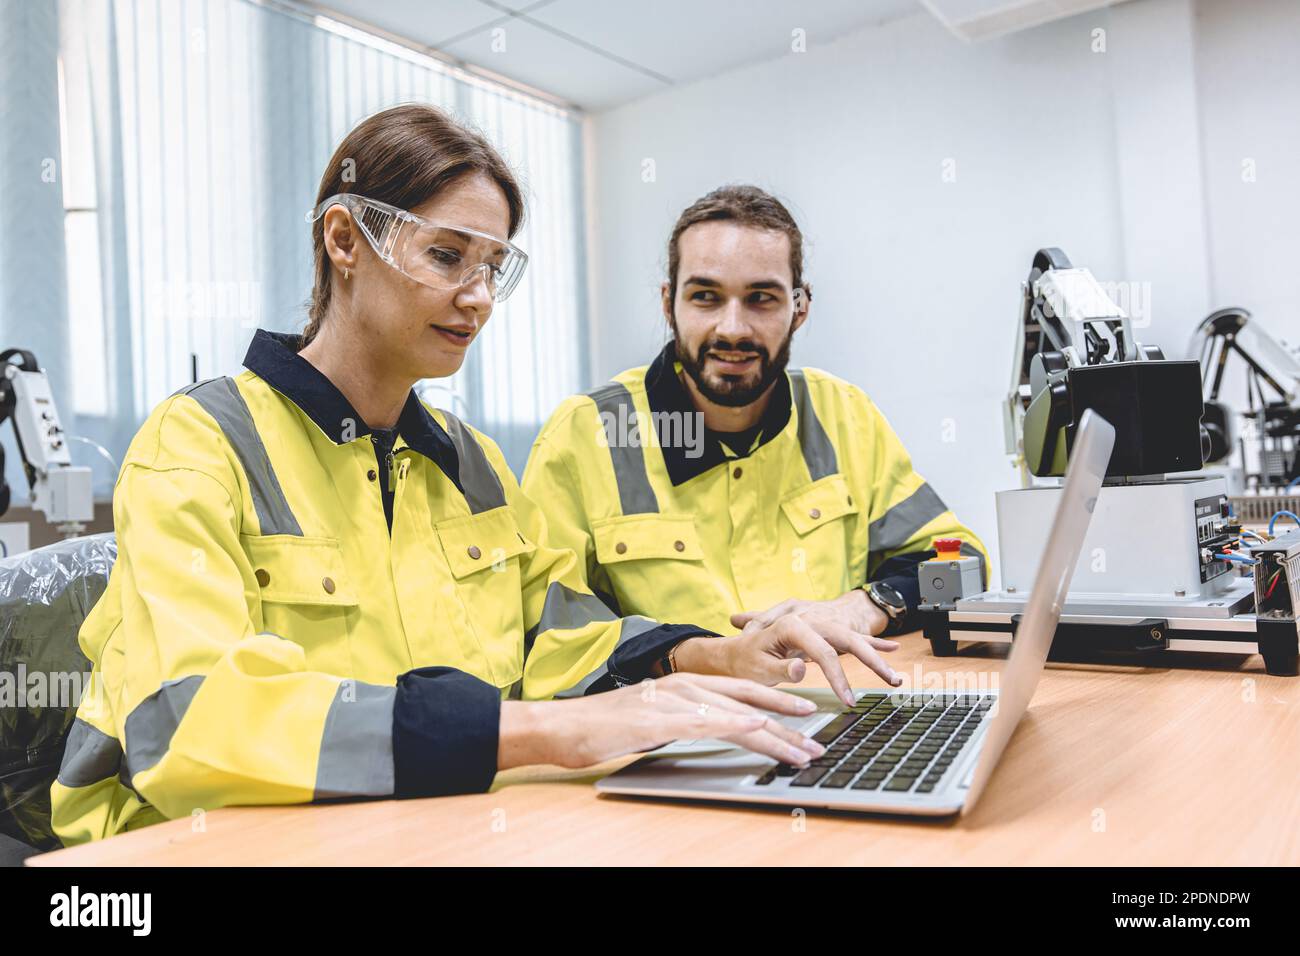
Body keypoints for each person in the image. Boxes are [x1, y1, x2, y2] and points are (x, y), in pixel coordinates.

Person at [50, 108, 825, 845]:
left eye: (493, 268)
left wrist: (704, 657)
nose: (479, 299)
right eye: (448, 257)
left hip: (428, 826)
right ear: (345, 240)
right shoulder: (200, 443)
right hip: (204, 843)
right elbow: (191, 723)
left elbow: (558, 630)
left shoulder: (471, 461)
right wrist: (542, 730)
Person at [523, 185, 990, 706]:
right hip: (670, 730)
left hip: (835, 713)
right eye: (705, 296)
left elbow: (958, 563)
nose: (732, 328)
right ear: (668, 303)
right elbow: (549, 640)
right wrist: (697, 656)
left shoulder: (843, 413)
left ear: (800, 307)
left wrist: (858, 608)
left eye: (761, 298)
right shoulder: (584, 435)